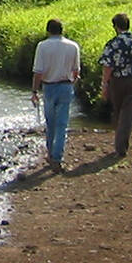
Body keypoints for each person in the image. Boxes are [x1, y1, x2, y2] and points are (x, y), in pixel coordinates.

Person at [31, 18, 81, 171]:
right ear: (62, 30)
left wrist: (34, 91)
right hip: (66, 85)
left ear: (48, 31)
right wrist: (71, 83)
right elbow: (76, 71)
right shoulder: (73, 46)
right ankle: (57, 156)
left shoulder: (42, 46)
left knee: (50, 122)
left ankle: (50, 153)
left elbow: (38, 72)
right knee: (62, 124)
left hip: (49, 87)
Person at [99, 12, 132, 157]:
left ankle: (119, 147)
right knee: (128, 114)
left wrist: (104, 85)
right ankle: (122, 144)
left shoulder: (113, 43)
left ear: (116, 26)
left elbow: (107, 67)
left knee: (118, 111)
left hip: (118, 81)